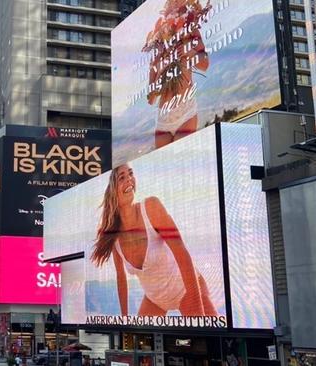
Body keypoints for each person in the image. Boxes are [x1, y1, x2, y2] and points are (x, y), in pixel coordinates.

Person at [91, 164, 218, 317]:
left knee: (210, 338)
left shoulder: (151, 208)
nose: (129, 179)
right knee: (135, 340)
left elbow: (182, 254)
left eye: (131, 174)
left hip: (186, 289)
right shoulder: (113, 235)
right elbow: (121, 277)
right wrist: (124, 320)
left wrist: (198, 315)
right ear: (113, 191)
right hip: (155, 299)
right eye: (122, 178)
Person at [142, 0, 212, 149]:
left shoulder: (192, 31)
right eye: (170, 7)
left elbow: (205, 65)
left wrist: (189, 51)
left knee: (182, 162)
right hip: (163, 118)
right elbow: (151, 98)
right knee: (165, 168)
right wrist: (161, 68)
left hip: (185, 111)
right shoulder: (158, 50)